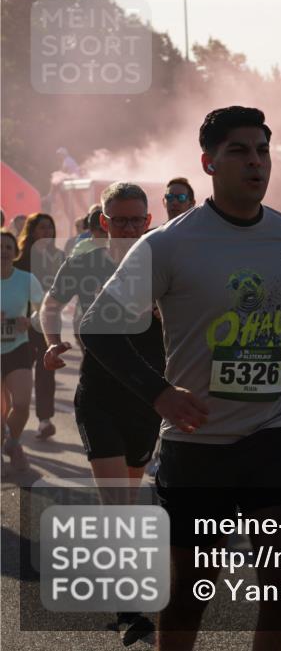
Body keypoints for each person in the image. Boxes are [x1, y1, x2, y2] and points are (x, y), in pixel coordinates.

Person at [79, 106, 281, 651]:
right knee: (191, 594)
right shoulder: (168, 244)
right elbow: (97, 329)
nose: (255, 162)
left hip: (278, 435)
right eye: (239, 151)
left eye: (262, 150)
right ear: (208, 163)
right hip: (199, 444)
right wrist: (160, 393)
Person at [41, 183, 161, 644]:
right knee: (117, 503)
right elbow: (50, 308)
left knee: (127, 501)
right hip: (98, 397)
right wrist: (52, 341)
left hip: (147, 399)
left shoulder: (159, 265)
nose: (129, 228)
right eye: (121, 220)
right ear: (104, 222)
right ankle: (131, 608)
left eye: (137, 220)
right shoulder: (84, 262)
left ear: (148, 221)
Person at [13, 213, 65, 441]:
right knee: (17, 371)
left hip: (48, 323)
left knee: (46, 370)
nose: (48, 233)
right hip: (21, 324)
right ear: (32, 231)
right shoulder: (20, 258)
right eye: (43, 228)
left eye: (50, 229)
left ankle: (45, 420)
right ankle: (12, 415)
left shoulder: (58, 257)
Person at [1, 230, 44, 472]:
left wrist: (29, 321)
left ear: (15, 253)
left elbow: (43, 310)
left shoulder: (27, 279)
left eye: (8, 247)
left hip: (18, 346)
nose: (3, 252)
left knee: (22, 403)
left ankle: (12, 442)